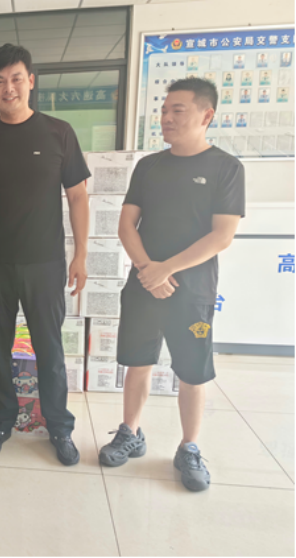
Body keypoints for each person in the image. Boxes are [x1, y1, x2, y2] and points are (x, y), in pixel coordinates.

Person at [98, 78, 245, 492]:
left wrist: (166, 270)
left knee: (193, 371)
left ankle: (189, 446)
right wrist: (148, 269)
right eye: (164, 111)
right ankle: (130, 431)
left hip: (193, 291)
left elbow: (222, 235)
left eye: (177, 110)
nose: (166, 118)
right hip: (143, 283)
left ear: (206, 115)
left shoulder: (226, 168)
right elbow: (127, 225)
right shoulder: (149, 166)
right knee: (137, 361)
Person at [0, 44, 91, 466]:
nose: (8, 88)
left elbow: (78, 197)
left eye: (16, 79)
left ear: (31, 81)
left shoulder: (59, 132)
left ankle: (59, 426)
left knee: (49, 349)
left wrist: (81, 254)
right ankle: (1, 422)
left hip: (45, 264)